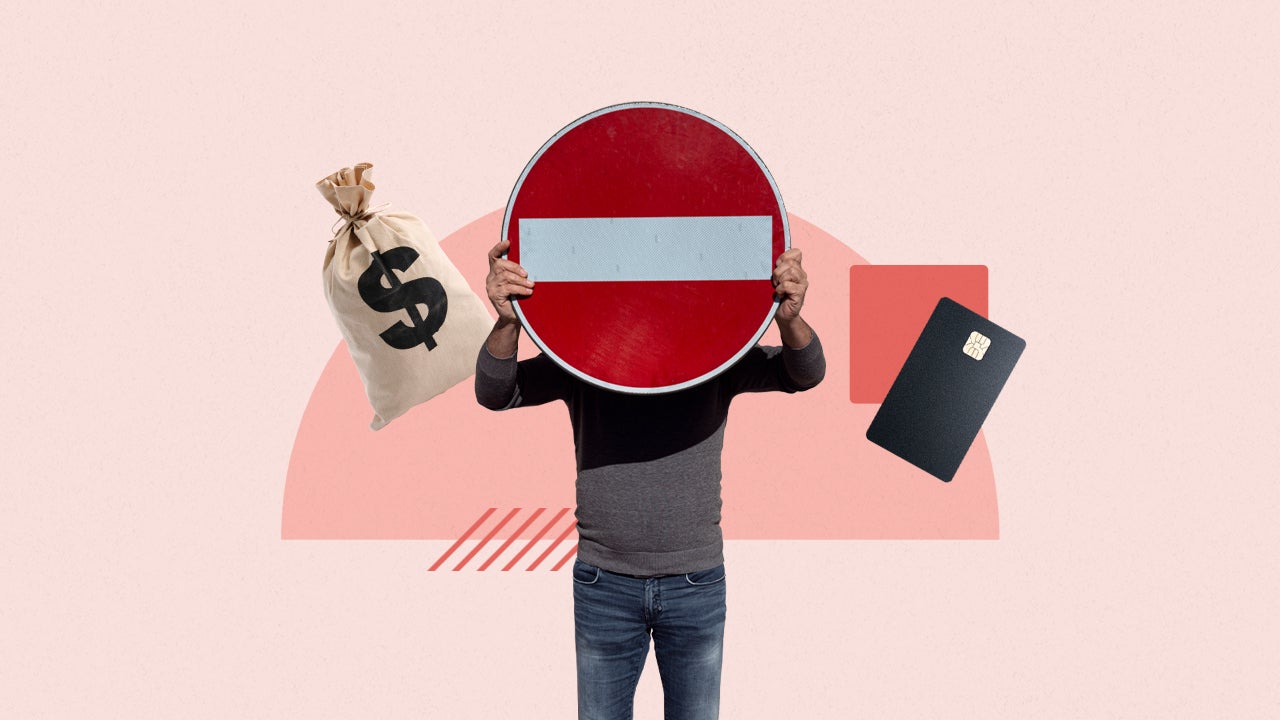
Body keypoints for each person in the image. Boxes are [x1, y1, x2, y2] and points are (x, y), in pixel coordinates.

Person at [475, 239, 825, 720]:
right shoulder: (585, 354)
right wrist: (510, 320)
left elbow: (804, 373)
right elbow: (496, 392)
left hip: (696, 584)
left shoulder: (715, 353)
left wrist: (789, 318)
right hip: (604, 585)